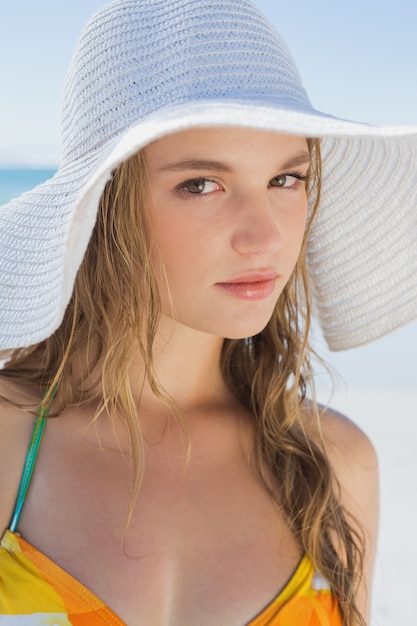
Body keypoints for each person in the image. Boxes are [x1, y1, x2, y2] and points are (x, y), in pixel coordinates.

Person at [0, 1, 416, 625]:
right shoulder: (9, 441)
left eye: (287, 180)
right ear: (105, 209)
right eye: (201, 184)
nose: (264, 237)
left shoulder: (332, 463)